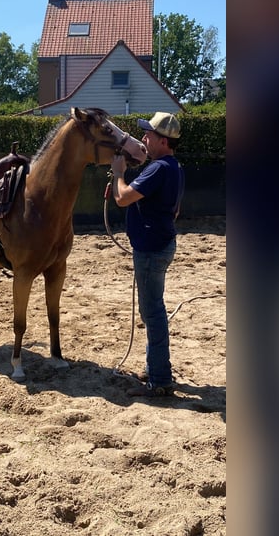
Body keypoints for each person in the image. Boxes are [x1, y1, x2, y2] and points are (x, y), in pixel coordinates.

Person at [111, 111, 184, 397]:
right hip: (162, 245)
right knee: (153, 310)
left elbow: (123, 198)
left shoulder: (158, 169)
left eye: (149, 134)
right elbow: (175, 210)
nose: (144, 138)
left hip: (151, 250)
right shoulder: (175, 167)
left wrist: (118, 175)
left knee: (152, 312)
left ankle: (160, 379)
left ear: (163, 140)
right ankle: (156, 369)